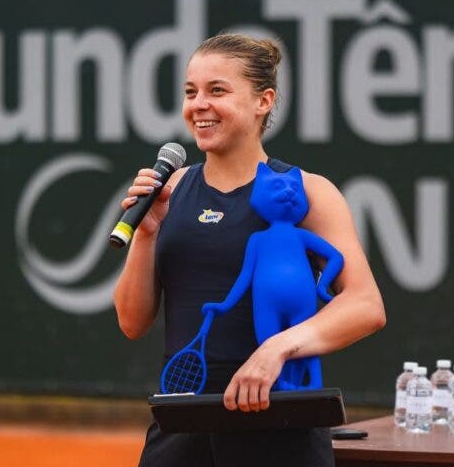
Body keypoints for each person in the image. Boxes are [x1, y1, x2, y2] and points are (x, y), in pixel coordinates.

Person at [113, 33, 386, 467]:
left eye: (217, 90)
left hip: (279, 428)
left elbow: (366, 304)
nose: (198, 104)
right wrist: (146, 234)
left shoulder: (308, 192)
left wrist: (276, 349)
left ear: (264, 101)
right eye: (191, 92)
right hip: (181, 426)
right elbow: (131, 321)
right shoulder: (171, 192)